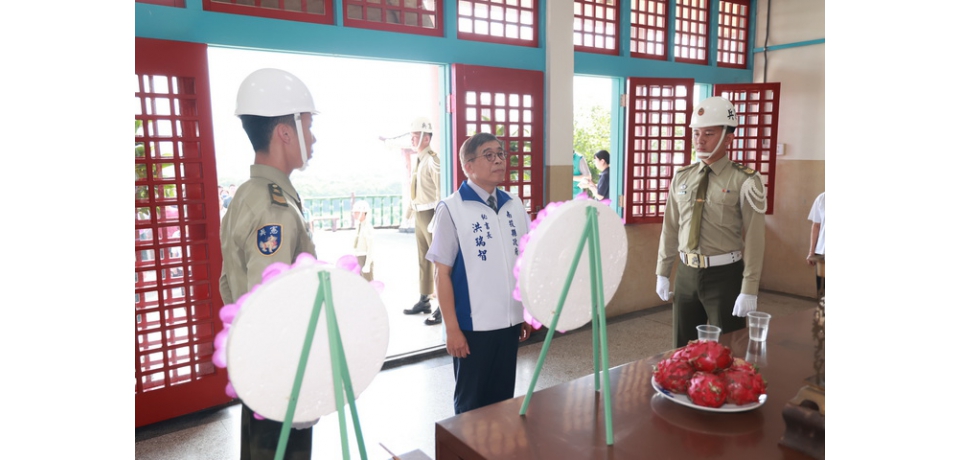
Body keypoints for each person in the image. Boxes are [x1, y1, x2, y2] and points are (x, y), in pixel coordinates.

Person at [218, 68, 319, 460]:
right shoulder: (274, 207)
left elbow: (231, 285)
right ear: (285, 131)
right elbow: (274, 304)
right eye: (308, 127)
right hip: (279, 374)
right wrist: (291, 383)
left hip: (256, 366)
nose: (313, 139)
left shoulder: (248, 194)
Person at [426, 132, 533, 414]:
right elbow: (442, 274)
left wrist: (524, 312)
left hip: (509, 324)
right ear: (468, 165)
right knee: (471, 405)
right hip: (472, 329)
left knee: (502, 401)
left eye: (501, 154)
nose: (498, 160)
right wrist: (451, 329)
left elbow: (522, 264)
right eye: (489, 155)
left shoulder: (515, 204)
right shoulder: (451, 208)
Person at [654, 96, 767, 348]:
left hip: (724, 276)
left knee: (728, 349)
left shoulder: (745, 180)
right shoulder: (682, 177)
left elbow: (755, 238)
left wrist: (749, 287)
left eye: (709, 133)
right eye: (696, 133)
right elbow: (670, 229)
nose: (700, 140)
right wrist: (663, 271)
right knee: (683, 348)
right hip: (686, 273)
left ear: (728, 138)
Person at [402, 117, 443, 326]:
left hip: (431, 214)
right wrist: (409, 213)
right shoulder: (418, 158)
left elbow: (439, 190)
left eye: (416, 136)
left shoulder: (432, 160)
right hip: (419, 213)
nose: (412, 140)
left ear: (426, 138)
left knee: (438, 261)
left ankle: (442, 306)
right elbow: (414, 189)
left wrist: (439, 217)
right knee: (422, 259)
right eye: (411, 136)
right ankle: (424, 298)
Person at [806, 192, 825, 298]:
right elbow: (816, 226)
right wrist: (811, 252)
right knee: (822, 291)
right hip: (822, 252)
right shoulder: (822, 198)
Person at [352, 200, 375, 281]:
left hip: (364, 258)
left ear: (363, 213)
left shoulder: (368, 227)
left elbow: (370, 247)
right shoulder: (359, 225)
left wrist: (367, 264)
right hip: (358, 257)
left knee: (368, 284)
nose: (354, 214)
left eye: (356, 212)